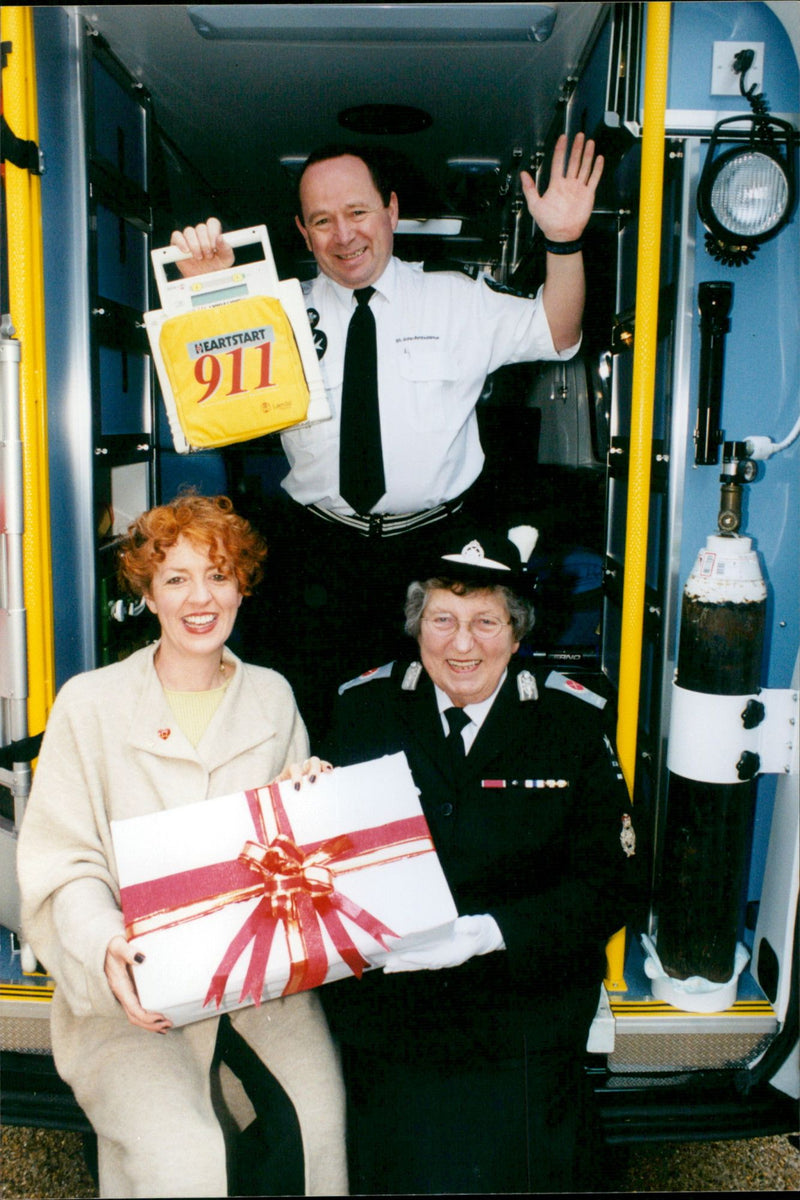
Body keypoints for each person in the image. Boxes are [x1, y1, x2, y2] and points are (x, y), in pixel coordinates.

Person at [170, 135, 604, 737]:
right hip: (317, 555)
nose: (343, 235)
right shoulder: (273, 316)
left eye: (357, 212)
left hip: (434, 556)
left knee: (428, 728)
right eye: (322, 220)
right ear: (303, 231)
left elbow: (557, 332)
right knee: (308, 723)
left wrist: (563, 241)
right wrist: (210, 297)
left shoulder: (455, 300)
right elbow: (213, 409)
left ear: (391, 211)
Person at [16, 492, 348, 1198]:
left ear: (242, 587)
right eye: (176, 579)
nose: (201, 599)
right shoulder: (89, 703)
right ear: (148, 594)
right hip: (136, 997)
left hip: (261, 990)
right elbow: (64, 863)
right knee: (182, 1159)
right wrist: (105, 943)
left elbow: (298, 864)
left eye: (219, 575)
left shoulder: (272, 696)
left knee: (315, 1136)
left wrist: (311, 804)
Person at [319, 527, 642, 1194]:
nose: (462, 644)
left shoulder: (570, 721)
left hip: (521, 1004)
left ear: (516, 635)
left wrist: (491, 932)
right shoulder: (363, 710)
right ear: (418, 628)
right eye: (443, 619)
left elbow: (612, 883)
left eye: (485, 622)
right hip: (396, 1005)